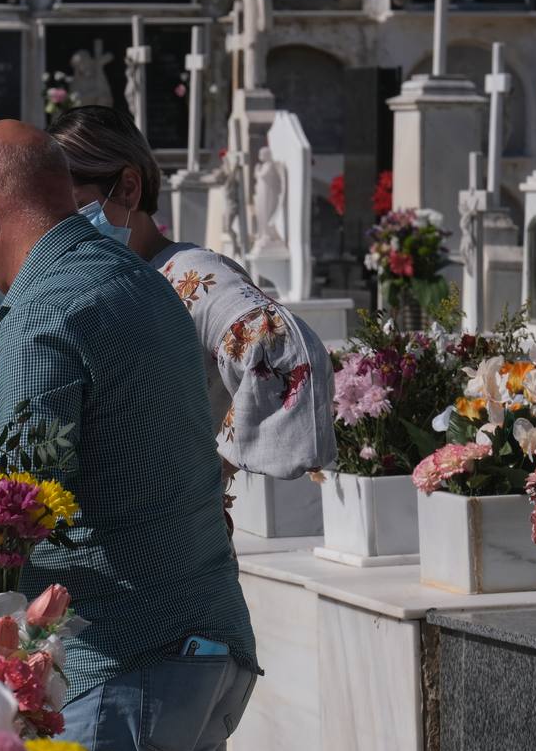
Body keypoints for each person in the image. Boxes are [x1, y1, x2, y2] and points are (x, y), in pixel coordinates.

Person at [0, 120, 257, 751]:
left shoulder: (42, 311)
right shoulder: (142, 282)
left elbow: (21, 504)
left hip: (121, 658)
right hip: (209, 643)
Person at [48, 105, 336, 488]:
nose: (61, 226)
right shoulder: (106, 277)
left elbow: (279, 346)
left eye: (72, 206)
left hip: (179, 535)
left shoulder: (187, 274)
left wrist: (216, 468)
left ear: (129, 188)